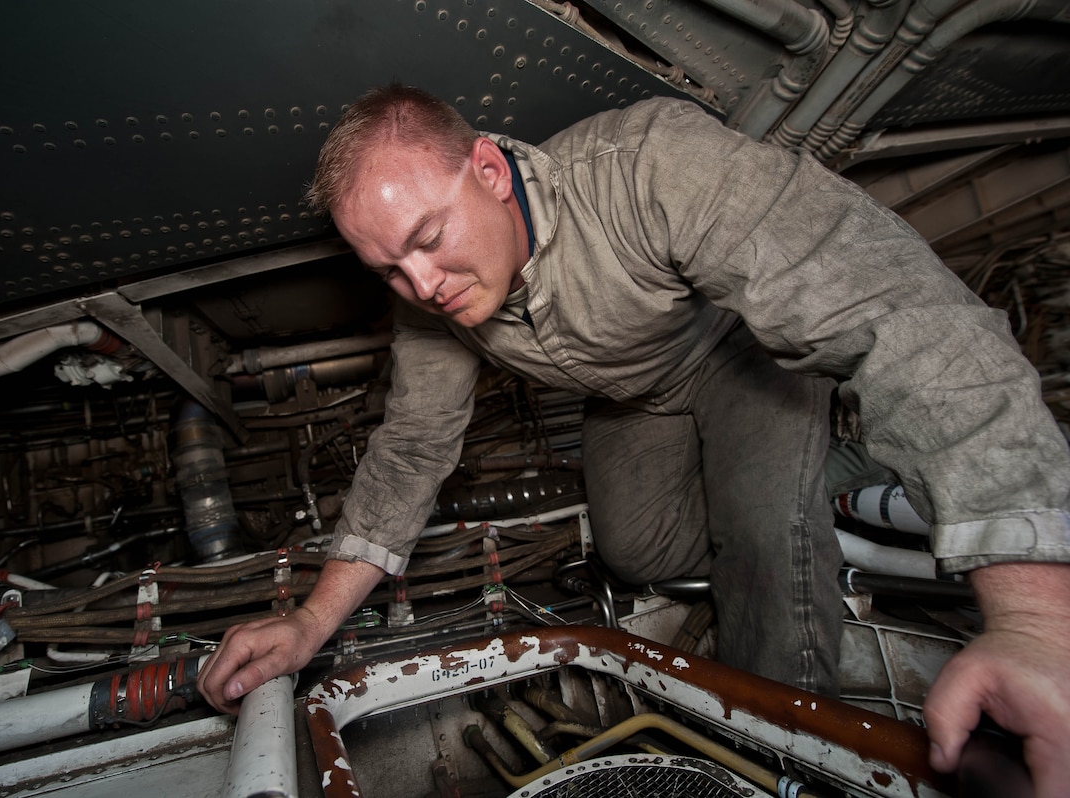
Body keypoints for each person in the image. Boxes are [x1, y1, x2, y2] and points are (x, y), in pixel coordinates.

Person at [198, 85, 1070, 793]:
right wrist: (310, 624)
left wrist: (1033, 619)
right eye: (390, 268)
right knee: (634, 547)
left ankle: (786, 765)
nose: (421, 284)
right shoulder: (431, 302)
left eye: (428, 239)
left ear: (492, 171)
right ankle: (839, 479)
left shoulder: (649, 165)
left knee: (763, 535)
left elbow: (893, 307)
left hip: (744, 358)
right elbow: (413, 447)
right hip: (637, 397)